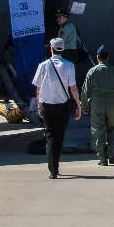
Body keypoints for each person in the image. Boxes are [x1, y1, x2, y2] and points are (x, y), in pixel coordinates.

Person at [31, 37, 81, 179]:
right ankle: (55, 166)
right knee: (59, 137)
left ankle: (53, 169)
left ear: (51, 49)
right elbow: (73, 88)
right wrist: (78, 105)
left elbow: (38, 89)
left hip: (47, 106)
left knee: (50, 137)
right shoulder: (69, 65)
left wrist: (39, 106)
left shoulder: (43, 66)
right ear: (62, 49)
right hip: (63, 107)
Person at [82, 45, 114, 167]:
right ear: (108, 57)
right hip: (112, 102)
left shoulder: (92, 71)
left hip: (97, 102)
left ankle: (102, 157)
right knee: (112, 128)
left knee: (98, 130)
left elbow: (85, 91)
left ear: (97, 57)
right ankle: (111, 151)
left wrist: (84, 105)